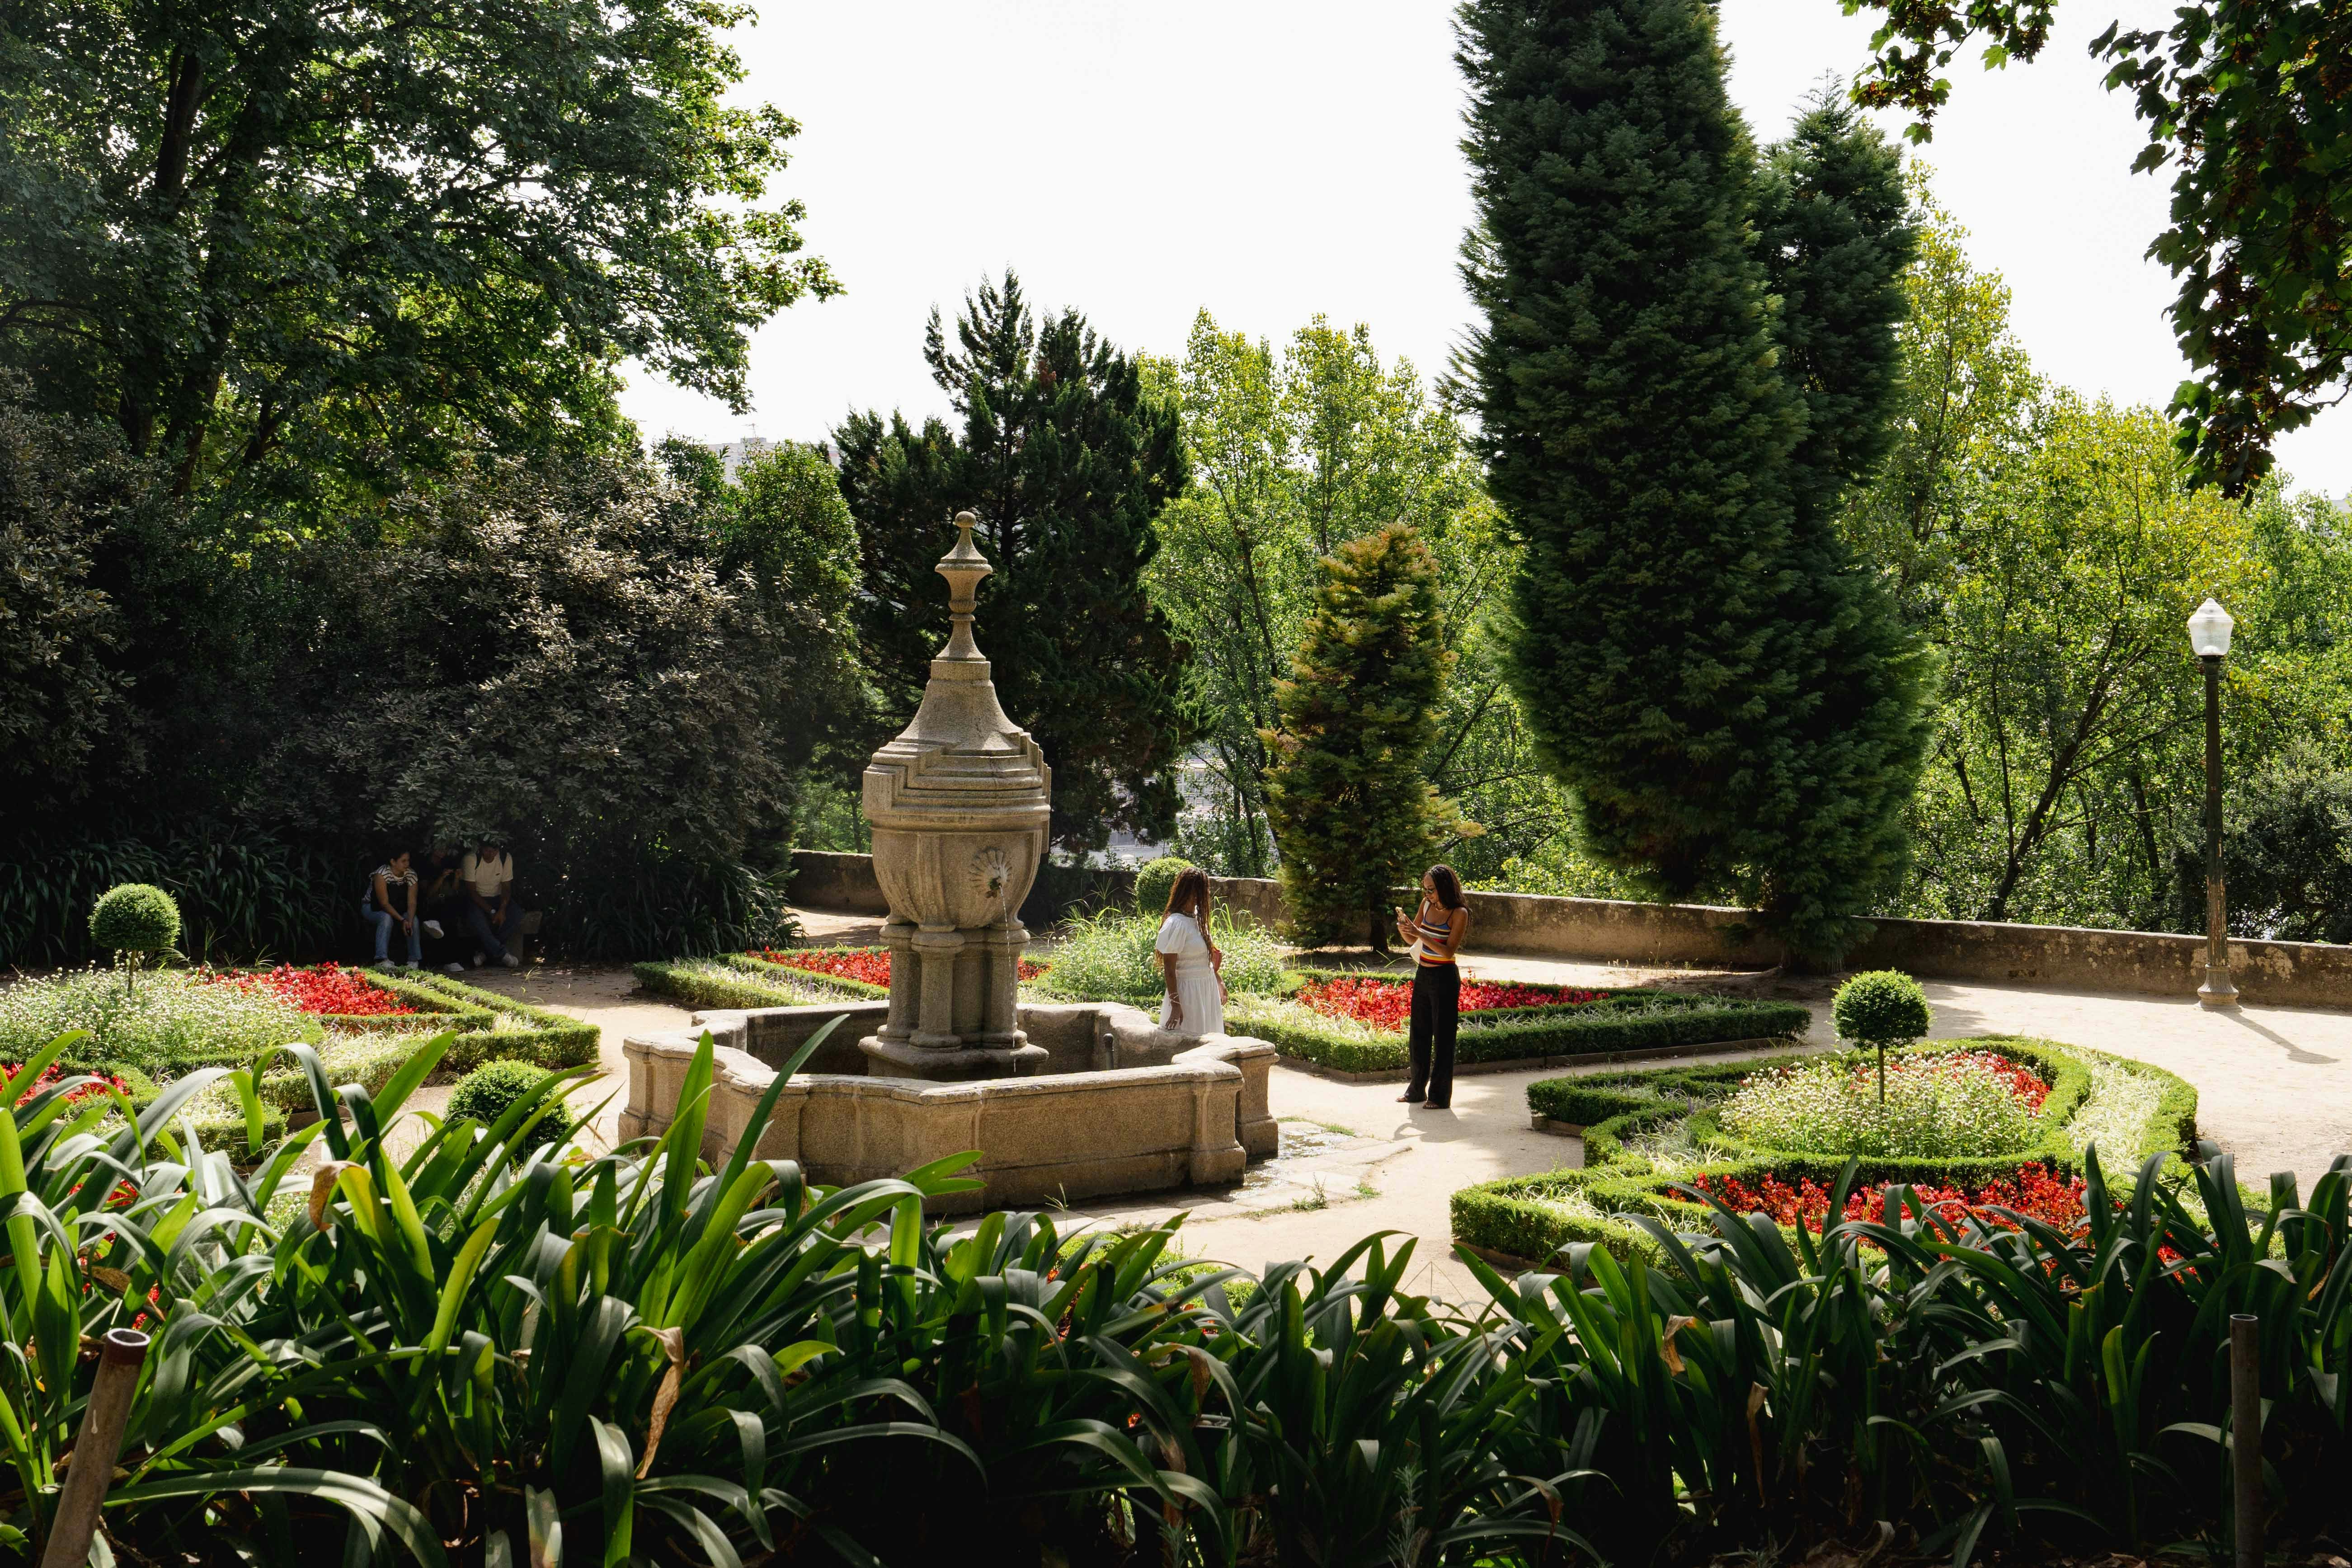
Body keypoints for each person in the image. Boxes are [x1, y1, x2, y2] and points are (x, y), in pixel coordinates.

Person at [1396, 863, 1468, 1110]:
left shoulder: (1459, 913)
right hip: (1424, 974)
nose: (1427, 894)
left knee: (1444, 1037)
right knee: (1419, 1034)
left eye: (1431, 890)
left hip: (1445, 977)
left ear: (1444, 887)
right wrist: (1405, 929)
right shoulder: (1426, 906)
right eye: (1425, 889)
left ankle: (1439, 1096)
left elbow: (1448, 952)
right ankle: (1416, 1090)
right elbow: (1412, 938)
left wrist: (1420, 933)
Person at [1154, 867, 1227, 1037]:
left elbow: (1205, 958)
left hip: (1206, 989)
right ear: (1190, 891)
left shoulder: (1197, 918)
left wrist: (1219, 980)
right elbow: (1170, 970)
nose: (1206, 894)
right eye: (1202, 890)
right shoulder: (1176, 923)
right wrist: (1176, 1005)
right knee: (1188, 1042)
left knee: (1210, 1043)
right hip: (1188, 994)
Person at [461, 837, 524, 968]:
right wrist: (492, 911)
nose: (490, 855)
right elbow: (472, 892)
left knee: (517, 914)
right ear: (481, 849)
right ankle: (502, 954)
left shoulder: (506, 858)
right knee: (477, 919)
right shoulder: (471, 859)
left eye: (494, 851)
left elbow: (506, 887)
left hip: (498, 898)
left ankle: (485, 953)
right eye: (487, 851)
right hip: (477, 899)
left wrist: (502, 909)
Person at [363, 848, 422, 970]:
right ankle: (381, 960)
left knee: (414, 920)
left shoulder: (411, 874)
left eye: (408, 861)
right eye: (403, 861)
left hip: (398, 908)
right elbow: (384, 904)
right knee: (386, 918)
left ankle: (414, 960)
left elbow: (412, 902)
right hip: (372, 908)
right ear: (393, 862)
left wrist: (409, 921)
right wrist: (402, 921)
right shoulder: (381, 874)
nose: (407, 864)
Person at [417, 846, 469, 974]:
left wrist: (457, 878)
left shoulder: (449, 862)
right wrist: (441, 878)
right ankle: (450, 961)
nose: (443, 850)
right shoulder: (424, 865)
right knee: (447, 917)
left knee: (450, 915)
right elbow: (428, 894)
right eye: (440, 847)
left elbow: (454, 890)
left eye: (445, 848)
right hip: (430, 905)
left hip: (448, 903)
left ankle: (451, 961)